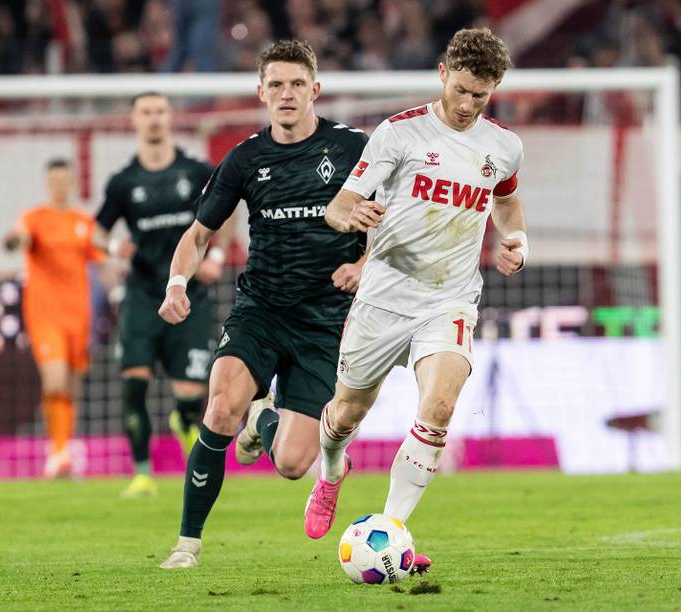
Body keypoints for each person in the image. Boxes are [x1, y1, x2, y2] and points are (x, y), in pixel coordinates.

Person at [303, 27, 528, 574]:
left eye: (480, 95)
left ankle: (393, 531)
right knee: (346, 413)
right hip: (384, 297)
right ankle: (331, 469)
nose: (467, 104)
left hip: (450, 299)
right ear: (442, 74)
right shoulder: (399, 133)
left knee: (440, 408)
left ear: (494, 90)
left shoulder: (503, 146)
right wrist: (351, 216)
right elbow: (340, 205)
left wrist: (517, 241)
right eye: (460, 90)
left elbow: (506, 204)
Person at [156, 40, 368, 569]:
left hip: (326, 321)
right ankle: (186, 545)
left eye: (297, 84)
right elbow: (198, 234)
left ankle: (263, 420)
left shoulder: (353, 149)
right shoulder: (245, 158)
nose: (286, 94)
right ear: (261, 92)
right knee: (219, 407)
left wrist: (364, 266)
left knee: (292, 464)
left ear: (315, 90)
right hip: (261, 310)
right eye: (276, 85)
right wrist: (177, 283)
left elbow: (395, 219)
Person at [93, 92, 233, 498]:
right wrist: (112, 248)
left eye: (159, 111)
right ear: (134, 121)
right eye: (146, 112)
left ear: (170, 118)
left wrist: (216, 257)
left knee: (191, 396)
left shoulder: (197, 171)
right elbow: (97, 233)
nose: (153, 119)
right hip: (142, 296)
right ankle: (141, 475)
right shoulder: (123, 182)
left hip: (190, 294)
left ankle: (183, 420)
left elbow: (225, 214)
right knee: (133, 383)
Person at [3, 159, 104, 478]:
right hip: (45, 314)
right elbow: (20, 237)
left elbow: (101, 259)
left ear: (73, 184)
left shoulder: (83, 222)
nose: (59, 187)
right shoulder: (34, 218)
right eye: (54, 182)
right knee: (55, 380)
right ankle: (57, 453)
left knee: (71, 386)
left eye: (65, 181)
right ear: (47, 185)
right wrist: (16, 241)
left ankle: (63, 448)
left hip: (79, 315)